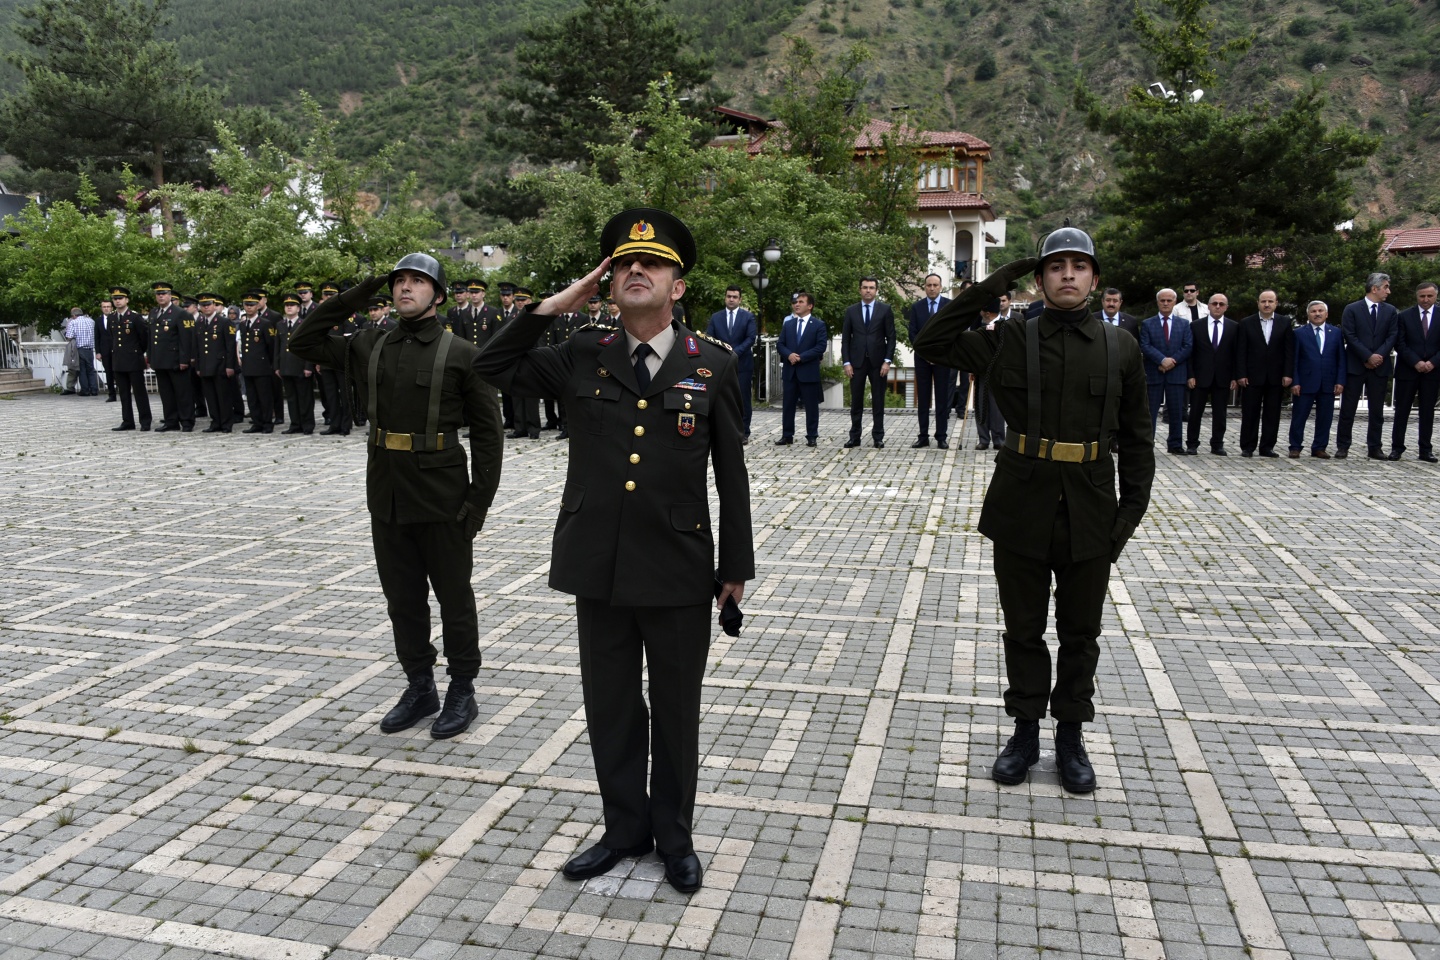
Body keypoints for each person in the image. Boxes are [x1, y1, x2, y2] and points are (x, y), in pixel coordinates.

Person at [473, 208, 754, 894]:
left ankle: (675, 838)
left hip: (681, 567)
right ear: (607, 283)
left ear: (677, 287)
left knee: (676, 711)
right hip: (598, 563)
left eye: (652, 264)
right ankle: (624, 828)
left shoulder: (712, 365)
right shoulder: (582, 354)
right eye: (624, 263)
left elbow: (732, 471)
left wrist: (736, 567)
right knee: (612, 708)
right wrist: (551, 307)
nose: (636, 270)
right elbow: (489, 366)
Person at [912, 224, 1154, 794]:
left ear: (1095, 279)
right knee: (1022, 630)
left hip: (1093, 509)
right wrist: (993, 284)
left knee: (1080, 633)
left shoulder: (1121, 347)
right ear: (1040, 279)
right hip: (1021, 502)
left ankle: (1070, 735)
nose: (1067, 275)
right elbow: (931, 342)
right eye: (1054, 266)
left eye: (1078, 266)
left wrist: (1128, 518)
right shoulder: (1010, 338)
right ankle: (1024, 731)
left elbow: (1138, 441)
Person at [289, 255, 504, 740]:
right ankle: (419, 685)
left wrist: (478, 503)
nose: (406, 288)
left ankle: (462, 689)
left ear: (439, 295)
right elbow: (300, 341)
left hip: (444, 494)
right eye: (399, 281)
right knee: (402, 600)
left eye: (418, 281)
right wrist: (357, 294)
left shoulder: (463, 353)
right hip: (386, 491)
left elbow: (490, 436)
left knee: (454, 598)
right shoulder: (369, 343)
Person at [1337, 272, 1399, 459]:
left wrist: (1378, 356)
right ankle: (1343, 446)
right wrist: (1367, 355)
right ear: (1375, 288)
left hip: (1379, 367)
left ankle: (1375, 447)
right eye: (1386, 287)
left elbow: (1392, 335)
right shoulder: (1352, 309)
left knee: (1377, 411)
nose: (1388, 290)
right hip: (1356, 365)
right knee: (1348, 409)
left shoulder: (1390, 311)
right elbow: (1349, 334)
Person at [1234, 290, 1293, 457]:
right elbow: (1241, 350)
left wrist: (1288, 373)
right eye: (1263, 301)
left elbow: (1289, 351)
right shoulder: (1246, 323)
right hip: (1252, 376)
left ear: (1276, 303)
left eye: (1270, 301)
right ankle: (1247, 446)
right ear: (1258, 303)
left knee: (1272, 413)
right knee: (1250, 412)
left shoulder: (1285, 322)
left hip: (1276, 376)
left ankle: (1267, 447)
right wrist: (1241, 374)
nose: (1267, 304)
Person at [841, 276, 897, 448]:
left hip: (878, 363)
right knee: (856, 401)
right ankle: (854, 436)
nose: (868, 290)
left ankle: (878, 437)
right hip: (856, 363)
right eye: (865, 287)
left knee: (878, 401)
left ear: (876, 290)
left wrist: (887, 361)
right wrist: (846, 362)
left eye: (871, 287)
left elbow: (891, 337)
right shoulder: (851, 311)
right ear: (860, 289)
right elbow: (845, 339)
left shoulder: (885, 310)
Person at [1388, 281, 1439, 462]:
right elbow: (1399, 343)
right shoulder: (1404, 316)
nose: (1425, 299)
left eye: (1429, 296)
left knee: (1427, 411)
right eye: (1422, 296)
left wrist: (1432, 362)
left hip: (1433, 372)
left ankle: (1425, 450)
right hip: (1408, 371)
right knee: (1402, 410)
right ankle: (1397, 448)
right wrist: (1416, 361)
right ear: (1416, 296)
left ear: (1436, 296)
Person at [1288, 301, 1346, 458]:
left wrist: (1340, 381)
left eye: (1321, 311)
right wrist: (1295, 381)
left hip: (1328, 382)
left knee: (1325, 417)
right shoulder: (1299, 333)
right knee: (1299, 416)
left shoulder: (1335, 333)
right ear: (1308, 315)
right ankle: (1295, 446)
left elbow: (1341, 358)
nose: (1317, 313)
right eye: (1313, 311)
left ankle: (1319, 447)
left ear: (1326, 314)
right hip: (1305, 382)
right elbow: (1294, 360)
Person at [1139, 288, 1193, 454]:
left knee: (1176, 411)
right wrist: (1162, 360)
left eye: (1169, 300)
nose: (1165, 303)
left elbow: (1188, 346)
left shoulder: (1184, 324)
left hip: (1176, 374)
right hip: (1155, 372)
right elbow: (1145, 345)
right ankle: (1147, 444)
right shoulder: (1148, 323)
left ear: (1174, 302)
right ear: (1158, 302)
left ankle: (1175, 444)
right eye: (1162, 300)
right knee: (1150, 413)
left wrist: (1172, 361)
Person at [1185, 292, 1237, 455]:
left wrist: (1235, 376)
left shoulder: (1234, 327)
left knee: (1220, 414)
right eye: (1214, 303)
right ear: (1208, 306)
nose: (1217, 306)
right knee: (1195, 413)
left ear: (1226, 307)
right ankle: (1192, 444)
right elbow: (1190, 353)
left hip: (1223, 377)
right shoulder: (1196, 326)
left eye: (1221, 304)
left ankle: (1217, 444)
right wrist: (1190, 374)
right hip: (1200, 377)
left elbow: (1237, 354)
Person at [906, 274, 955, 449]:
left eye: (935, 285)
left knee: (942, 399)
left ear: (941, 286)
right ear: (924, 287)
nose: (932, 288)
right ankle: (923, 436)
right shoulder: (917, 308)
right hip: (922, 359)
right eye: (929, 285)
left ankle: (941, 436)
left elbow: (952, 331)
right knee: (924, 399)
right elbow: (913, 333)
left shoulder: (948, 306)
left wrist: (938, 354)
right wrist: (925, 353)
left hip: (942, 360)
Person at [705, 287, 758, 441]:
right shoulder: (716, 317)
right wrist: (724, 352)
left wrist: (734, 352)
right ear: (725, 298)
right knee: (720, 397)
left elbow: (750, 338)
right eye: (729, 296)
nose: (731, 299)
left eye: (735, 297)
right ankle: (723, 430)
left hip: (742, 365)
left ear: (740, 299)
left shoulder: (748, 317)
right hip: (720, 364)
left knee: (742, 398)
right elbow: (710, 337)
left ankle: (743, 431)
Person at [775, 292, 826, 446]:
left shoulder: (818, 325)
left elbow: (820, 347)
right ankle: (787, 435)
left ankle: (812, 436)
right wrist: (789, 355)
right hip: (790, 372)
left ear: (810, 306)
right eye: (795, 302)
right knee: (788, 405)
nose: (796, 304)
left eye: (801, 302)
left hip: (808, 371)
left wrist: (801, 357)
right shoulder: (788, 324)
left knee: (811, 406)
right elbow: (780, 344)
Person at [147, 281, 197, 432]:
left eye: (164, 294)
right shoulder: (154, 313)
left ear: (170, 296)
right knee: (166, 394)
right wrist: (150, 357)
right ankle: (171, 421)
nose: (161, 297)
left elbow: (186, 339)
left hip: (176, 360)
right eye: (158, 294)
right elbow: (151, 338)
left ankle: (187, 421)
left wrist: (184, 360)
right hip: (160, 360)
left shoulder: (181, 313)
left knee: (183, 393)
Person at [107, 287, 152, 431]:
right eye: (115, 299)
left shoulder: (135, 317)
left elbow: (144, 338)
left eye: (120, 298)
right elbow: (112, 337)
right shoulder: (112, 317)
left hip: (133, 359)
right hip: (119, 360)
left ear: (127, 300)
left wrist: (139, 352)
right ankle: (127, 421)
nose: (118, 301)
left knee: (139, 393)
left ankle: (145, 421)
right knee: (124, 393)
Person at [194, 294, 238, 432]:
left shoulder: (224, 322)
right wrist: (198, 366)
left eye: (208, 304)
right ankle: (215, 422)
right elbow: (197, 347)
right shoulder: (199, 323)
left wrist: (230, 366)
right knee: (211, 397)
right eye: (203, 305)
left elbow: (230, 346)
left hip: (221, 365)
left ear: (214, 305)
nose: (206, 307)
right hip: (206, 366)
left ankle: (226, 423)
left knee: (223, 396)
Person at [238, 291, 277, 433]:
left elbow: (271, 346)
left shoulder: (265, 324)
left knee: (264, 397)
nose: (249, 307)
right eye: (246, 305)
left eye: (252, 305)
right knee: (252, 397)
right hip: (248, 366)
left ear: (257, 306)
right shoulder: (243, 325)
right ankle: (257, 422)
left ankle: (267, 423)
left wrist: (271, 365)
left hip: (262, 366)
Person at [971, 298, 1007, 450]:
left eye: (982, 311)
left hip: (998, 372)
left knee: (997, 407)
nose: (980, 313)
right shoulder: (978, 324)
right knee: (980, 404)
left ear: (987, 312)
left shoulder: (1005, 325)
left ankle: (998, 439)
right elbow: (972, 347)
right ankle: (983, 439)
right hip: (980, 371)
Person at [64, 307, 98, 397]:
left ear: (74, 315)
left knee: (82, 370)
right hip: (90, 349)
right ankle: (94, 390)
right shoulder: (91, 321)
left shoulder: (73, 322)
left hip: (80, 349)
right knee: (91, 370)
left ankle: (85, 390)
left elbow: (69, 336)